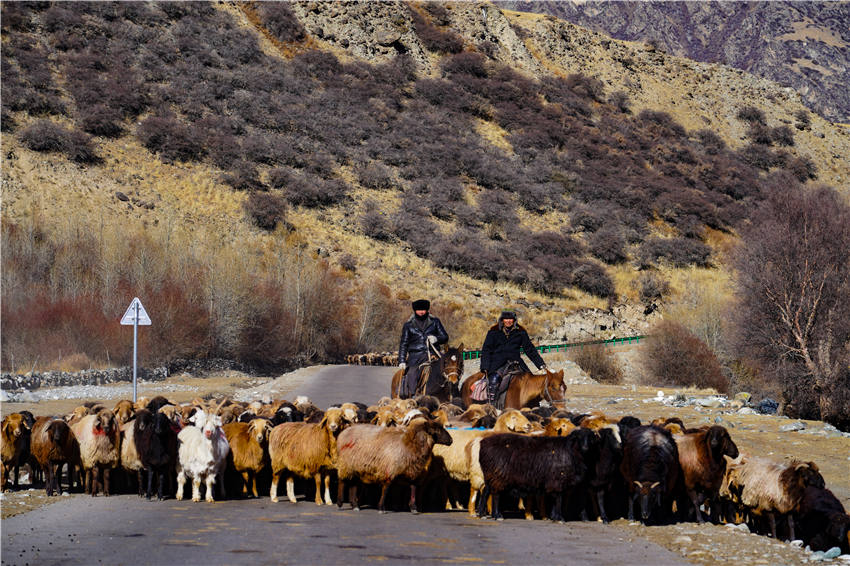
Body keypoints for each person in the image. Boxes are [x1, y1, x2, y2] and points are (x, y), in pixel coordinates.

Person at [479, 311, 547, 406]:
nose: (508, 321)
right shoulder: (493, 332)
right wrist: (485, 366)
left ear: (514, 320)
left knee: (530, 381)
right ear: (502, 320)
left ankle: (533, 405)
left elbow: (530, 349)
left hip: (516, 362)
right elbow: (486, 350)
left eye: (510, 319)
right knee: (494, 380)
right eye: (506, 319)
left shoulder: (520, 332)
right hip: (498, 363)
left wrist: (541, 364)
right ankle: (491, 405)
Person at [398, 299, 449, 398]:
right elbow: (403, 343)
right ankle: (413, 395)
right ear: (415, 310)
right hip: (416, 357)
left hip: (433, 354)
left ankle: (450, 392)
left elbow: (445, 337)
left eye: (423, 310)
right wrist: (402, 360)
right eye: (419, 310)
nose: (421, 312)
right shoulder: (408, 325)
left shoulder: (435, 322)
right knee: (412, 373)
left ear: (427, 310)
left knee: (449, 369)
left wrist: (436, 339)